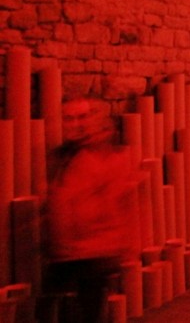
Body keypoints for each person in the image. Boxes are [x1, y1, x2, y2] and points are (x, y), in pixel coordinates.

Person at [42, 97, 141, 323]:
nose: (76, 124)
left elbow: (123, 205)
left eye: (82, 117)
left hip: (93, 254)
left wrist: (127, 248)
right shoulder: (62, 156)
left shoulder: (107, 155)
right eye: (69, 118)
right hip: (65, 253)